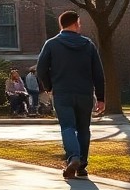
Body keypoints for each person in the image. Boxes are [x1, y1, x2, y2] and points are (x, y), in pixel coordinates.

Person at [37, 10, 106, 180]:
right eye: (79, 23)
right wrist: (101, 97)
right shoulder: (88, 45)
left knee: (68, 127)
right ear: (75, 23)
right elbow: (98, 73)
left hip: (62, 92)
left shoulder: (51, 44)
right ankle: (82, 164)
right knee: (84, 129)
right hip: (84, 93)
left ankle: (73, 157)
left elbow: (41, 68)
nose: (80, 26)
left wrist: (49, 86)